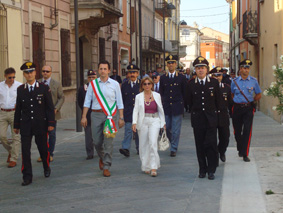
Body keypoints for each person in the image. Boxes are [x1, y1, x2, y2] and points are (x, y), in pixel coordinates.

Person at [14, 62, 55, 186]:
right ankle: (27, 176)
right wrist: (16, 125)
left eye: (31, 72)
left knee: (43, 149)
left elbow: (49, 107)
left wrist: (50, 123)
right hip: (26, 125)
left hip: (40, 124)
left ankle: (46, 167)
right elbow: (18, 109)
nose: (29, 74)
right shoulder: (21, 90)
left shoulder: (43, 88)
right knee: (25, 151)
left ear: (35, 73)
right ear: (24, 75)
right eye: (27, 72)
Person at [81, 60, 125, 177]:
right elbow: (87, 101)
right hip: (96, 114)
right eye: (101, 69)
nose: (103, 71)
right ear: (98, 70)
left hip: (111, 115)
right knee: (97, 141)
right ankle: (102, 157)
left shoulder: (115, 84)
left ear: (109, 71)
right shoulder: (93, 84)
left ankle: (106, 165)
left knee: (108, 142)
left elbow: (119, 102)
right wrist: (84, 116)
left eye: (105, 69)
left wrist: (121, 117)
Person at [186, 56, 221, 180]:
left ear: (207, 69)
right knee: (199, 145)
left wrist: (218, 118)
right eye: (198, 68)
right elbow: (188, 101)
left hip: (211, 119)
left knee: (211, 144)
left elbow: (219, 102)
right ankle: (202, 169)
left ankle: (211, 170)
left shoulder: (214, 83)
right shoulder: (190, 84)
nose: (200, 70)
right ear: (195, 70)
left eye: (203, 68)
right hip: (198, 119)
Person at [132, 77, 166, 177]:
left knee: (152, 143)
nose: (147, 86)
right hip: (143, 121)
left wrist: (162, 122)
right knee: (143, 144)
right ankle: (146, 166)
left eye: (149, 84)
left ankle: (154, 166)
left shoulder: (157, 95)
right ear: (142, 86)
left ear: (152, 85)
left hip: (154, 120)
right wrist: (134, 122)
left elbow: (161, 109)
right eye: (145, 84)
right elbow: (136, 110)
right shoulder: (138, 97)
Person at [231, 59, 262, 162]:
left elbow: (259, 94)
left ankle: (245, 153)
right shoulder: (234, 81)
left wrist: (252, 100)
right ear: (240, 69)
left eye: (248, 68)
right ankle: (240, 147)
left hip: (248, 108)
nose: (246, 70)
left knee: (247, 131)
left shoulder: (254, 81)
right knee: (237, 131)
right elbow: (232, 94)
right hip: (237, 108)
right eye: (244, 68)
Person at [159, 55, 187, 157]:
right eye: (169, 63)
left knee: (175, 129)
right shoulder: (163, 78)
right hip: (166, 106)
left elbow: (184, 92)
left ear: (176, 64)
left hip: (177, 106)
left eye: (172, 63)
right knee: (167, 128)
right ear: (167, 65)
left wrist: (184, 105)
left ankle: (174, 147)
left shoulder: (181, 78)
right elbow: (161, 92)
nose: (171, 65)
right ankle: (173, 142)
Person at [37, 65, 65, 162]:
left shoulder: (56, 84)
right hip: (40, 114)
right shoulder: (37, 83)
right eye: (43, 71)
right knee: (41, 135)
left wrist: (56, 108)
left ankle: (50, 153)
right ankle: (42, 154)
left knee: (52, 134)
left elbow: (61, 97)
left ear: (50, 73)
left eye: (47, 71)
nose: (45, 73)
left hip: (52, 114)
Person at [209, 67, 233, 162]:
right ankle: (214, 157)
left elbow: (230, 103)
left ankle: (221, 151)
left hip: (223, 115)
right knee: (212, 139)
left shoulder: (226, 87)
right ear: (212, 76)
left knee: (225, 138)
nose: (217, 77)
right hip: (212, 116)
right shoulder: (209, 87)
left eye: (219, 75)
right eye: (215, 75)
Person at [0, 67, 22, 168]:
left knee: (15, 136)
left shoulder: (19, 86)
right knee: (2, 136)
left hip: (14, 113)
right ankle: (11, 151)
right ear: (5, 76)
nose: (12, 79)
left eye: (13, 77)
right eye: (10, 77)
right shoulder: (0, 86)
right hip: (3, 112)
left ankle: (13, 159)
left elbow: (23, 99)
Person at [119, 64, 140, 157]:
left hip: (139, 113)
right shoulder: (124, 85)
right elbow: (122, 100)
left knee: (138, 132)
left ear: (137, 74)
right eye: (130, 73)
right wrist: (121, 115)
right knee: (128, 131)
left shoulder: (142, 84)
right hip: (128, 112)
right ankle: (126, 148)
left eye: (134, 73)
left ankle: (140, 148)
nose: (132, 75)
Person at [78, 70, 97, 160]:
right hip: (88, 115)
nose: (91, 79)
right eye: (90, 77)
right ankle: (90, 153)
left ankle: (100, 150)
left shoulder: (100, 87)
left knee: (99, 136)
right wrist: (84, 114)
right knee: (88, 136)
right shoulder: (83, 89)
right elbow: (80, 102)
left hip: (98, 115)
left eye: (93, 77)